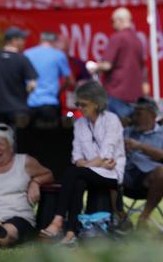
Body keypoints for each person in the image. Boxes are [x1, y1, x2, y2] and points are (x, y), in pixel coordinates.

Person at [40, 80, 125, 244]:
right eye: (77, 104)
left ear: (97, 103)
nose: (79, 107)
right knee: (77, 179)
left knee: (73, 173)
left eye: (83, 104)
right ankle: (71, 233)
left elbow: (106, 155)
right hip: (89, 172)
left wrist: (89, 163)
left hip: (112, 174)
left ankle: (57, 220)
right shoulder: (79, 124)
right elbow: (77, 158)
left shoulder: (112, 120)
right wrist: (93, 163)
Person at [122, 97, 163, 227]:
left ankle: (144, 217)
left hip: (149, 178)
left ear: (152, 114)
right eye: (133, 113)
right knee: (105, 171)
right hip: (125, 174)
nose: (134, 117)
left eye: (138, 113)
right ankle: (119, 218)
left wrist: (140, 146)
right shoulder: (128, 131)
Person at [87, 8, 146, 122]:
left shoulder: (118, 37)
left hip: (116, 92)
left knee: (113, 130)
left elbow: (107, 65)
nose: (112, 25)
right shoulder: (137, 39)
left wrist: (95, 67)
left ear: (119, 20)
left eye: (113, 21)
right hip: (134, 94)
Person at [0, 27, 38, 128]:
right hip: (19, 109)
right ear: (14, 40)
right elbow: (32, 84)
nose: (24, 42)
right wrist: (25, 93)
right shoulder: (22, 59)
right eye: (22, 39)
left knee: (0, 139)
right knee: (18, 140)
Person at [24, 31, 72, 125]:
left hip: (30, 103)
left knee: (30, 137)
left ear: (41, 40)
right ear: (54, 41)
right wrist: (59, 91)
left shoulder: (27, 54)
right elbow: (69, 80)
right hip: (50, 103)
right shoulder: (59, 55)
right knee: (50, 137)